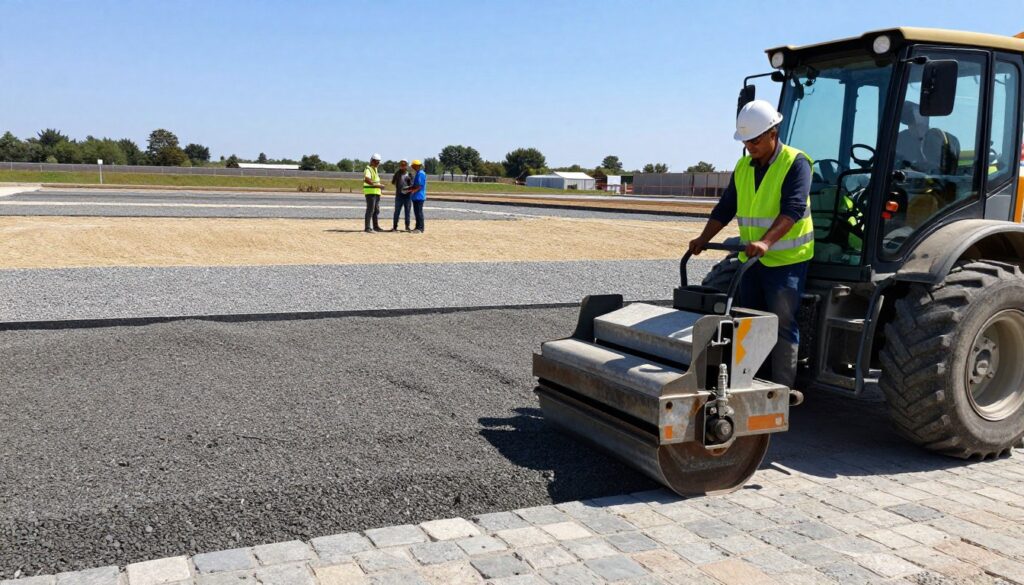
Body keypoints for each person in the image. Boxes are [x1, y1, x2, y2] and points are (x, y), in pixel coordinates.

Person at [687, 100, 813, 389]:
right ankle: (746, 385)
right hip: (751, 259)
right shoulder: (743, 166)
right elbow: (725, 207)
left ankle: (782, 393)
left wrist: (767, 242)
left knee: (781, 324)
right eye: (745, 142)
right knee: (748, 322)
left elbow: (793, 209)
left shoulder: (796, 162)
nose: (750, 147)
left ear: (773, 133)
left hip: (786, 261)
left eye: (755, 140)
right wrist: (703, 239)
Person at [363, 153, 384, 233]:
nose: (377, 164)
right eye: (376, 162)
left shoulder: (375, 169)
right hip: (370, 193)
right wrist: (377, 186)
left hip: (376, 193)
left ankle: (376, 226)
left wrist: (379, 187)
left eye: (378, 162)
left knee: (376, 210)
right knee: (370, 210)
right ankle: (367, 228)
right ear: (372, 161)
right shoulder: (368, 169)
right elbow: (367, 179)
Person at [406, 159, 427, 233]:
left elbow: (420, 186)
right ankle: (417, 227)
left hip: (419, 196)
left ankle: (420, 228)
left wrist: (412, 191)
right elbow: (415, 185)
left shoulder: (421, 173)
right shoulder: (417, 173)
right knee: (417, 213)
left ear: (417, 166)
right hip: (416, 197)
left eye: (413, 166)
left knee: (419, 213)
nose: (412, 167)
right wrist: (409, 189)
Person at [391, 159, 413, 232]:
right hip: (399, 196)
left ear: (406, 165)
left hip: (408, 196)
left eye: (404, 165)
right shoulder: (397, 173)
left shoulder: (409, 174)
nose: (402, 166)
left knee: (407, 211)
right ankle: (394, 227)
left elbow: (412, 185)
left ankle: (407, 226)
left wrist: (408, 187)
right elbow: (393, 182)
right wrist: (399, 188)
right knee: (397, 211)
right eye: (401, 165)